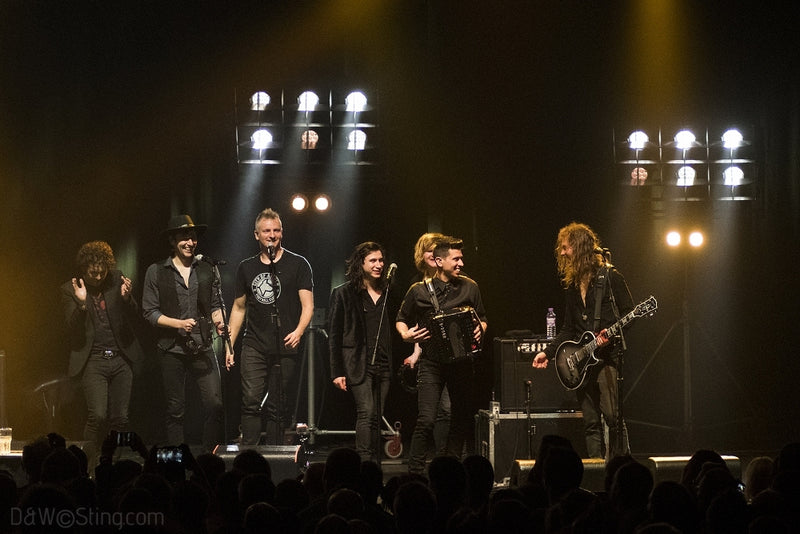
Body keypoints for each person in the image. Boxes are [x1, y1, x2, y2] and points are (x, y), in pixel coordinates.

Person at [531, 222, 633, 459]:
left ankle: (622, 467)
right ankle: (597, 472)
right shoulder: (573, 285)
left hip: (607, 358)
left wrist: (613, 335)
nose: (562, 253)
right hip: (583, 361)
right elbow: (568, 328)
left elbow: (630, 313)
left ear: (579, 247)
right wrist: (549, 351)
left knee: (612, 416)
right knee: (590, 422)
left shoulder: (610, 277)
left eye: (566, 248)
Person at [396, 236, 488, 474]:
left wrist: (481, 328)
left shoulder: (471, 287)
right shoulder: (418, 291)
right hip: (432, 362)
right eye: (456, 259)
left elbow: (483, 318)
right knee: (426, 419)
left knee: (460, 416)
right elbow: (401, 319)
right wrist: (407, 335)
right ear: (438, 261)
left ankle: (451, 468)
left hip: (462, 363)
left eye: (461, 258)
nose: (461, 263)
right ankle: (414, 472)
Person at [226, 208, 314, 446]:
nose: (272, 235)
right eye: (266, 231)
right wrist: (229, 345)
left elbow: (308, 306)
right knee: (251, 401)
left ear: (282, 233)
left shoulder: (298, 264)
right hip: (254, 343)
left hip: (285, 343)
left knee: (278, 404)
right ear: (257, 235)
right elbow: (238, 308)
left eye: (276, 230)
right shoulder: (246, 267)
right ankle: (250, 455)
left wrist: (298, 331)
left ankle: (274, 456)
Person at [142, 214, 225, 452]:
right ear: (172, 241)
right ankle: (177, 461)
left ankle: (210, 456)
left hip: (203, 346)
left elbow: (216, 305)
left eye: (193, 236)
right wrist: (176, 323)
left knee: (214, 404)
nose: (190, 241)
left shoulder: (208, 268)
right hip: (171, 349)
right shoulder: (156, 271)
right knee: (175, 409)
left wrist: (220, 323)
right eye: (184, 237)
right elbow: (149, 312)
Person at [60, 241, 144, 455]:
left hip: (120, 358)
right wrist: (81, 305)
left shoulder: (116, 279)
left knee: (120, 419)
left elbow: (135, 316)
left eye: (102, 273)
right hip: (94, 361)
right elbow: (71, 329)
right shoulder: (70, 289)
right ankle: (90, 465)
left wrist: (127, 299)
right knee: (97, 416)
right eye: (93, 274)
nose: (98, 278)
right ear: (84, 269)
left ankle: (116, 467)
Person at [328, 242, 398, 462]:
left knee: (377, 415)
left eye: (381, 260)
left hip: (384, 363)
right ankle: (364, 462)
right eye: (373, 261)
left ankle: (375, 462)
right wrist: (336, 371)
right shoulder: (344, 293)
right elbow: (334, 336)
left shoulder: (389, 293)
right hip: (358, 362)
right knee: (366, 412)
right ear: (362, 263)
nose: (379, 265)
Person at [404, 232, 451, 456]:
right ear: (422, 255)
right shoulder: (417, 285)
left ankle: (446, 459)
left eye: (436, 250)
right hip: (430, 357)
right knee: (429, 416)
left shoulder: (456, 281)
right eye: (429, 250)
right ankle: (417, 467)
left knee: (448, 412)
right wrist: (415, 353)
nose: (433, 254)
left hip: (454, 358)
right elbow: (416, 324)